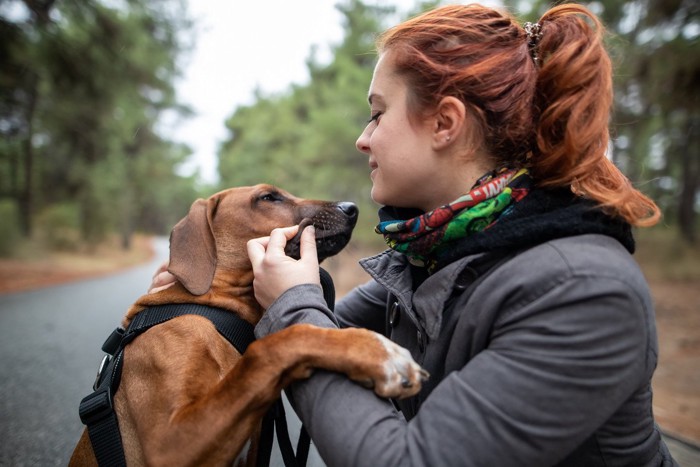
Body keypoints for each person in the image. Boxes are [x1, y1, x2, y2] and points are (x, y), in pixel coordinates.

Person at [156, 3, 678, 466]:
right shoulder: (431, 259)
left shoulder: (583, 290)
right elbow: (317, 336)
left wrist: (294, 302)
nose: (362, 140)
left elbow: (401, 451)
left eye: (378, 114)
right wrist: (192, 305)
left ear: (445, 123)